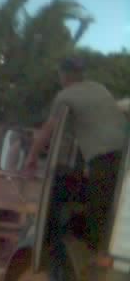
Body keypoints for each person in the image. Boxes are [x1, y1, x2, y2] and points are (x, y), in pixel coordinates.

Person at [24, 56, 127, 252]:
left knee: (96, 214)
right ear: (81, 74)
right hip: (126, 155)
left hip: (104, 159)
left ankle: (90, 255)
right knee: (112, 205)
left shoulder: (65, 96)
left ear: (63, 75)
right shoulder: (99, 88)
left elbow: (48, 131)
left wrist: (31, 158)